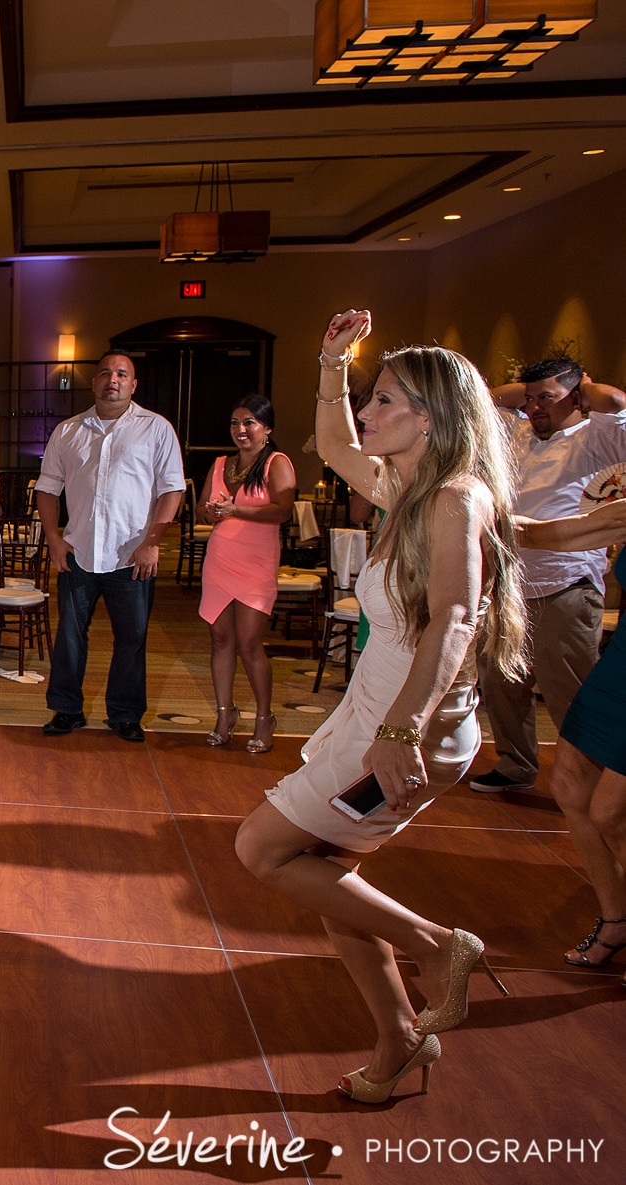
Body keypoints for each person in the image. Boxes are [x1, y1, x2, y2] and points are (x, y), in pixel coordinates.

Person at [235, 309, 525, 1104]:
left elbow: (456, 619)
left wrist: (400, 730)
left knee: (261, 849)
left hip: (402, 725)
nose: (367, 413)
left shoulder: (457, 499)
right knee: (329, 876)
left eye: (384, 399)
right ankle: (399, 1038)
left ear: (431, 415)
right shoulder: (409, 484)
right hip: (382, 714)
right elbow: (334, 445)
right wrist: (332, 363)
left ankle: (440, 946)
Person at [469, 359, 626, 793]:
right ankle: (516, 766)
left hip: (566, 588)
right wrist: (533, 393)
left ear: (576, 398)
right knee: (502, 683)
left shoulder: (598, 437)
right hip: (510, 586)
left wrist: (586, 386)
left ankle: (593, 784)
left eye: (547, 399)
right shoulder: (517, 433)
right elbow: (485, 399)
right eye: (531, 398)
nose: (535, 407)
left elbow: (614, 401)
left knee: (571, 694)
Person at [36, 351, 184, 743]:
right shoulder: (68, 431)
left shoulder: (156, 429)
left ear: (133, 385)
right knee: (69, 636)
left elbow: (172, 491)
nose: (112, 380)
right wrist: (54, 539)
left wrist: (152, 543)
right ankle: (66, 709)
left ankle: (124, 714)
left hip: (132, 556)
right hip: (78, 553)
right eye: (105, 373)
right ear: (94, 381)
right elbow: (47, 489)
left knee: (132, 639)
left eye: (121, 374)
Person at [514, 495, 626, 977]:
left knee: (611, 813)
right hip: (622, 664)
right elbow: (552, 535)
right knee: (570, 788)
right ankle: (617, 921)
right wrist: (469, 505)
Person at [198, 396, 297, 754]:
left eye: (249, 423)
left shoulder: (276, 462)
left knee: (250, 643)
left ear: (267, 428)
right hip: (220, 560)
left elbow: (283, 511)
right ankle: (226, 714)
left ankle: (263, 717)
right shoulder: (221, 462)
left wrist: (235, 509)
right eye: (235, 423)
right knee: (221, 640)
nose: (240, 430)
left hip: (256, 563)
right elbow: (201, 512)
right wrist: (210, 512)